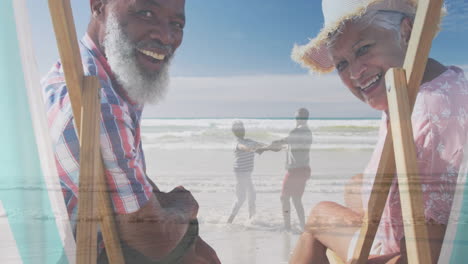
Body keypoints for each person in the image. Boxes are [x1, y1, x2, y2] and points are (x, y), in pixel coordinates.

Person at [288, 0, 468, 263]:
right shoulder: (443, 83)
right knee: (354, 185)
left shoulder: (426, 114)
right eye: (341, 64)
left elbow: (425, 255)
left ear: (406, 33)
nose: (355, 73)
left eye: (363, 49)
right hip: (416, 224)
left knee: (318, 217)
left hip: (411, 249)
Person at [42, 0, 220, 263]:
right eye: (146, 12)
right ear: (98, 6)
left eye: (176, 24)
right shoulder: (97, 103)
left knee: (202, 251)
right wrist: (185, 205)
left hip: (100, 231)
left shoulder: (97, 73)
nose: (165, 35)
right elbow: (153, 239)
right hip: (89, 250)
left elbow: (133, 181)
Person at [259, 108, 312, 231]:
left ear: (301, 118)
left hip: (295, 170)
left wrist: (265, 147)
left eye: (297, 117)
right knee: (296, 199)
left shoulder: (296, 131)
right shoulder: (308, 132)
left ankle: (287, 226)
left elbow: (281, 143)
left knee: (284, 198)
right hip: (304, 169)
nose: (296, 119)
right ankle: (302, 225)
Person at [227, 120, 265, 224]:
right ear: (235, 132)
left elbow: (262, 145)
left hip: (247, 173)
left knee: (252, 195)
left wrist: (276, 146)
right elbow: (243, 147)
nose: (242, 131)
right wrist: (252, 148)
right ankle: (229, 221)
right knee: (241, 198)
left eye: (242, 129)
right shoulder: (237, 143)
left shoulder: (249, 141)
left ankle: (251, 219)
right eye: (239, 130)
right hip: (240, 173)